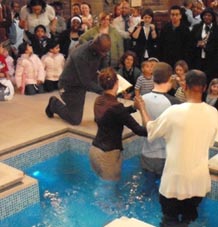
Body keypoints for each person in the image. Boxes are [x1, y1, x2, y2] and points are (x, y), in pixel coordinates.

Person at [135, 69, 218, 226]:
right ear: (205, 87)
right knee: (186, 220)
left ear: (184, 86)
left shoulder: (174, 112)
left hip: (174, 182)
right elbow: (210, 142)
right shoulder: (214, 113)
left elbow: (151, 130)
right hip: (198, 183)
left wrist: (142, 108)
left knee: (169, 221)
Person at [89, 67, 147, 181]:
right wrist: (160, 127)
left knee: (103, 188)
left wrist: (133, 107)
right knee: (110, 194)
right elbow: (139, 131)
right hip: (108, 156)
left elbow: (114, 115)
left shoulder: (99, 100)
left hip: (94, 152)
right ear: (117, 83)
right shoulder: (117, 107)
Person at [45, 33, 111, 125]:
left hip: (86, 78)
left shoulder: (99, 49)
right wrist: (103, 91)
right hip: (70, 86)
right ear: (95, 45)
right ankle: (54, 104)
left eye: (106, 51)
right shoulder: (80, 56)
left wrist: (107, 76)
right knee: (75, 119)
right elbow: (86, 82)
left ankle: (101, 116)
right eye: (103, 51)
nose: (104, 54)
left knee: (110, 86)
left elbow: (105, 60)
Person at [140, 62, 181, 175]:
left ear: (153, 77)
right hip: (164, 155)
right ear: (170, 78)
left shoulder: (143, 98)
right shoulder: (174, 102)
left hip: (146, 153)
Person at [190, 7, 218, 85]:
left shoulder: (216, 29)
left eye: (209, 15)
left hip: (211, 61)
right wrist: (197, 44)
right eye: (205, 15)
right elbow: (190, 42)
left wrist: (205, 47)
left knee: (210, 81)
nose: (207, 17)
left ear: (213, 17)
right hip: (198, 60)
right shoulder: (196, 28)